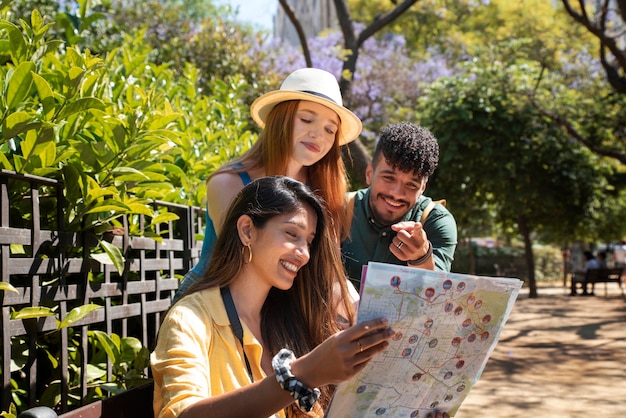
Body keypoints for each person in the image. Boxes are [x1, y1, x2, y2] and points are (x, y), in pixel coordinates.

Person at [151, 176, 410, 418]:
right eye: (291, 234)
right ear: (247, 231)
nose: (304, 254)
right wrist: (301, 375)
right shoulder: (190, 318)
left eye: (308, 241)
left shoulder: (288, 322)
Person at [174, 67, 363, 301]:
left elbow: (329, 273)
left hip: (277, 314)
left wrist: (357, 309)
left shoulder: (324, 194)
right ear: (280, 119)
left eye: (329, 129)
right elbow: (248, 269)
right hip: (211, 309)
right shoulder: (228, 183)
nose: (318, 135)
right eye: (306, 119)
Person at [341, 122, 458, 290]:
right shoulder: (339, 209)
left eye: (411, 185)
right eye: (388, 178)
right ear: (369, 174)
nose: (397, 193)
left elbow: (438, 295)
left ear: (422, 189)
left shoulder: (436, 221)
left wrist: (422, 258)